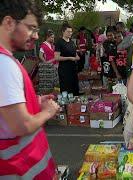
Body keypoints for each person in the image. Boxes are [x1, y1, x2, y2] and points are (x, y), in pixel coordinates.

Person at [0, 0, 60, 178]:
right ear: (9, 22)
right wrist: (48, 112)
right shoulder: (5, 65)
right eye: (31, 28)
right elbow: (22, 125)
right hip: (20, 170)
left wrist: (33, 102)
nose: (35, 36)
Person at [55, 23, 81, 95]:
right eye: (68, 31)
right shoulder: (59, 42)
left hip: (73, 69)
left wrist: (77, 57)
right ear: (63, 32)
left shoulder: (72, 42)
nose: (70, 33)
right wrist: (69, 58)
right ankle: (66, 104)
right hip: (64, 70)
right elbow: (56, 57)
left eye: (71, 31)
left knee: (74, 88)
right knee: (66, 89)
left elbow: (75, 55)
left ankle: (75, 104)